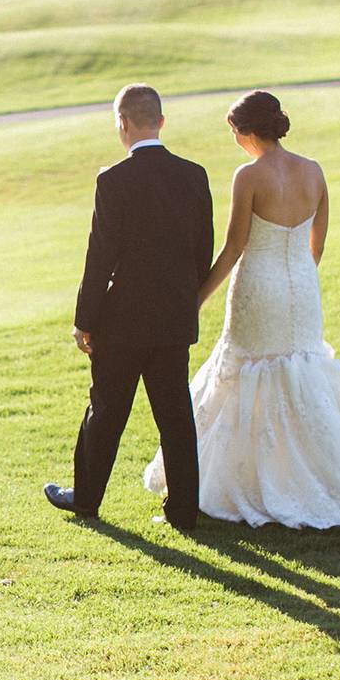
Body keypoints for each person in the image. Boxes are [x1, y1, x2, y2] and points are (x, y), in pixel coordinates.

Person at [144, 90, 340, 528]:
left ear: (246, 132)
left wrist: (194, 299)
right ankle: (321, 481)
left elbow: (232, 249)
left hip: (257, 287)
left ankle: (248, 483)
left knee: (246, 372)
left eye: (234, 133)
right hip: (302, 287)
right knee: (302, 372)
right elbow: (315, 246)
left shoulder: (248, 176)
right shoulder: (313, 172)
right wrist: (298, 279)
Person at [46, 83, 213, 530]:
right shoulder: (194, 176)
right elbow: (202, 253)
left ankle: (86, 498)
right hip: (174, 320)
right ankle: (182, 510)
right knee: (175, 416)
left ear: (122, 124)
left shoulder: (112, 180)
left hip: (121, 323)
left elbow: (99, 256)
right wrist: (181, 301)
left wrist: (85, 321)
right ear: (160, 119)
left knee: (106, 411)